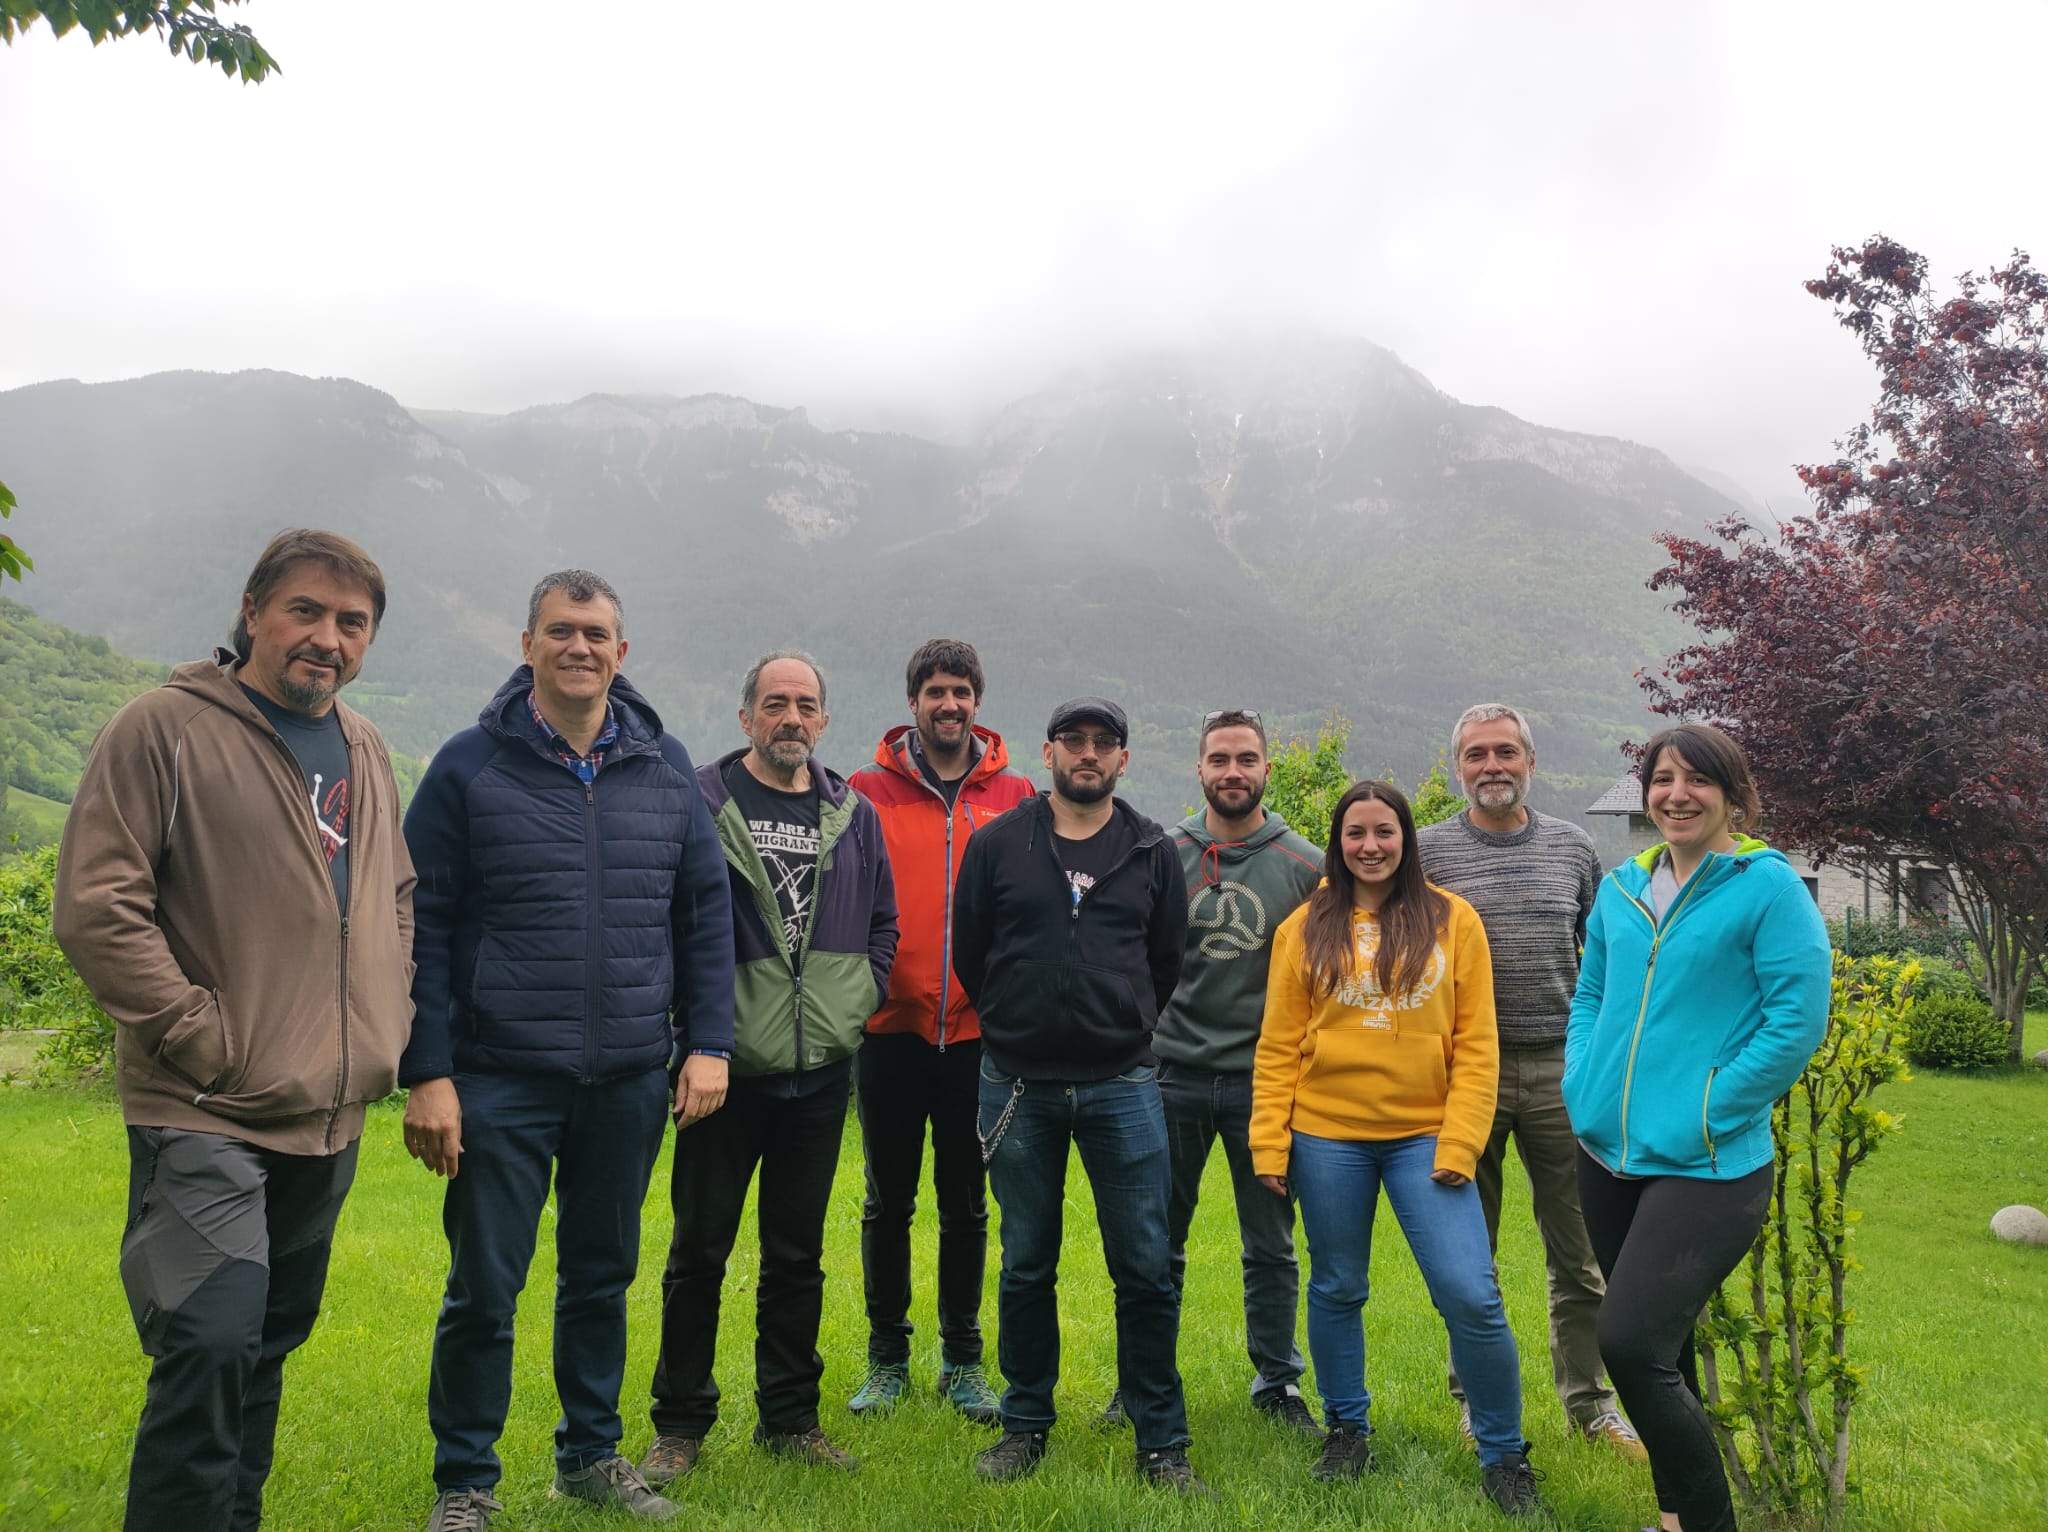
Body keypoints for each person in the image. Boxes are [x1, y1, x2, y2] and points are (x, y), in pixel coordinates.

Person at [53, 529, 416, 1531]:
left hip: (328, 1107)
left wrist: (390, 1014)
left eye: (352, 622)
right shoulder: (162, 728)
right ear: (253, 610)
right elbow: (95, 905)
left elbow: (394, 896)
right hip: (202, 1103)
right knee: (208, 1340)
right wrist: (198, 1030)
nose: (326, 638)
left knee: (262, 1345)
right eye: (305, 610)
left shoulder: (363, 745)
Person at [400, 569, 735, 1530]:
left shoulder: (665, 766)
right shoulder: (471, 765)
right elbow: (422, 923)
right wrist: (428, 1071)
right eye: (560, 631)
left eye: (596, 633)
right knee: (484, 1290)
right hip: (499, 1078)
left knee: (600, 1278)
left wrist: (707, 1042)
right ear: (528, 645)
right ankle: (466, 1481)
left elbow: (705, 915)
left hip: (629, 1077)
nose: (579, 647)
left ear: (621, 652)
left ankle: (590, 1457)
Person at [1252, 779, 1548, 1518]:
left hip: (1426, 1138)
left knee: (1471, 1294)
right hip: (1326, 1137)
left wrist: (1461, 1140)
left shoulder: (1454, 921)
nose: (1371, 846)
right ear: (1338, 842)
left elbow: (1479, 1045)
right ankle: (1347, 1429)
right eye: (1357, 834)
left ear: (1406, 839)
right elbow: (1278, 1044)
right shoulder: (1305, 926)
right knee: (1337, 1286)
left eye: (1385, 832)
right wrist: (1269, 1145)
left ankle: (1504, 1455)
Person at [1564, 723, 1831, 1532]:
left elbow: (1795, 1019)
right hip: (1607, 1155)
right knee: (1664, 1352)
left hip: (1710, 1165)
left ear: (1732, 794)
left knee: (1629, 1343)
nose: (1676, 794)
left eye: (1696, 779)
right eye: (1662, 778)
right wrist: (1585, 1085)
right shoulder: (1619, 891)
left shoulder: (1766, 889)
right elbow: (1590, 998)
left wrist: (1711, 1103)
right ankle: (1675, 1518)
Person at [644, 651, 898, 1481]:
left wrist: (858, 996)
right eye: (775, 703)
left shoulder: (851, 813)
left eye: (807, 705)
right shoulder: (702, 801)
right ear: (747, 716)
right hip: (724, 1070)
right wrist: (691, 1037)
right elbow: (668, 921)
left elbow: (884, 922)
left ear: (824, 721)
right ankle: (680, 1425)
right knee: (699, 1252)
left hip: (819, 1075)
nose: (792, 717)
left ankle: (790, 1419)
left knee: (797, 1256)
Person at [950, 697, 1206, 1493]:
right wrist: (1017, 1016)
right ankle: (1026, 1424)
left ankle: (1161, 1442)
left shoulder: (1152, 849)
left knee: (1144, 1266)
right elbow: (971, 953)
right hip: (1017, 1083)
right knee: (1026, 1262)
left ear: (1123, 758)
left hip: (1122, 1084)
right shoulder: (998, 845)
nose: (1088, 754)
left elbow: (1166, 960)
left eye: (1104, 743)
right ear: (1050, 751)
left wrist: (1121, 1021)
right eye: (1074, 741)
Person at [1418, 704, 1646, 1460]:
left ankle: (1589, 1405)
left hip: (1559, 1070)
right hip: (1463, 1074)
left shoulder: (1575, 848)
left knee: (1578, 1252)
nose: (1492, 766)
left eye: (1506, 752)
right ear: (1459, 767)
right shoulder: (1429, 854)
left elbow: (1605, 957)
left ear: (1530, 762)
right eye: (1477, 754)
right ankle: (1478, 1403)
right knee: (1467, 1254)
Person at [1104, 708, 1322, 1435]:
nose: (1234, 772)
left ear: (1266, 768)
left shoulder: (1308, 866)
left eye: (1247, 759)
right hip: (1168, 1077)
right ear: (1199, 769)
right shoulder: (1159, 855)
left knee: (1271, 1243)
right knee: (1155, 1242)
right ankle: (1138, 1381)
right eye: (1220, 759)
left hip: (1266, 1086)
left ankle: (1278, 1381)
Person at [845, 639, 1034, 1422]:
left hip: (979, 1037)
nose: (948, 704)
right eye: (934, 691)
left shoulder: (1017, 793)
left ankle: (963, 1361)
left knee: (966, 1205)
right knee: (887, 1203)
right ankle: (887, 1359)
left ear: (977, 703)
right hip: (888, 1031)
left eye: (960, 691)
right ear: (912, 702)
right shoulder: (863, 791)